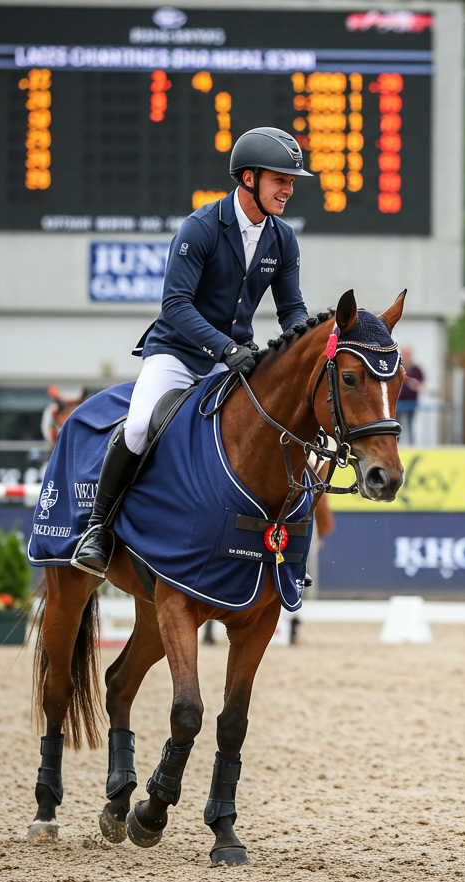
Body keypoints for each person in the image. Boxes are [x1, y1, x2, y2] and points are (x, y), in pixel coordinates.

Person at [71, 126, 313, 575]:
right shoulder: (200, 227)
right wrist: (224, 347)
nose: (289, 188)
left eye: (291, 180)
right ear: (248, 179)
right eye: (280, 179)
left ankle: (276, 549)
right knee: (141, 426)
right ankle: (97, 529)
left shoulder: (282, 239)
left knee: (275, 432)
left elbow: (292, 309)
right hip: (178, 356)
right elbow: (176, 305)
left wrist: (309, 347)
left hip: (234, 361)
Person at [396, 344, 425, 443]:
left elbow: (421, 386)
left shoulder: (416, 370)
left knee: (410, 425)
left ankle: (411, 444)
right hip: (397, 404)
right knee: (397, 426)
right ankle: (397, 444)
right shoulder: (397, 368)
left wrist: (415, 385)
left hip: (411, 403)